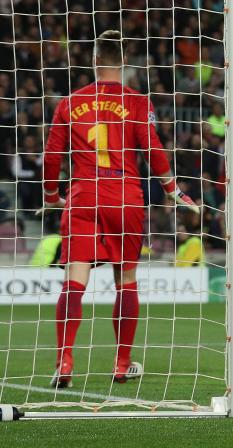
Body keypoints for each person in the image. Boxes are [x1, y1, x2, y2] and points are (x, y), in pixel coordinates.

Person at [41, 30, 199, 388]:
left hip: (83, 197)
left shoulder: (69, 103)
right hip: (125, 198)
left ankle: (64, 362)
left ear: (95, 61)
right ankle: (121, 363)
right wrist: (173, 190)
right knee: (125, 281)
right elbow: (153, 149)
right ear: (124, 63)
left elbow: (52, 157)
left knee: (74, 282)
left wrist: (52, 195)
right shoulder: (138, 102)